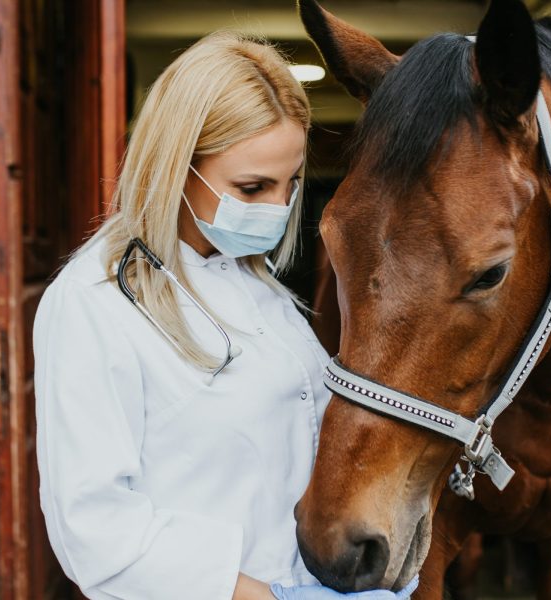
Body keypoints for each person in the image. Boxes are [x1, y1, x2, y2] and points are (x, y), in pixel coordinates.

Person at [31, 31, 418, 600]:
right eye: (252, 187)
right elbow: (94, 531)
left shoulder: (256, 287)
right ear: (176, 165)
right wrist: (267, 597)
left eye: (290, 184)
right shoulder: (95, 303)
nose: (278, 209)